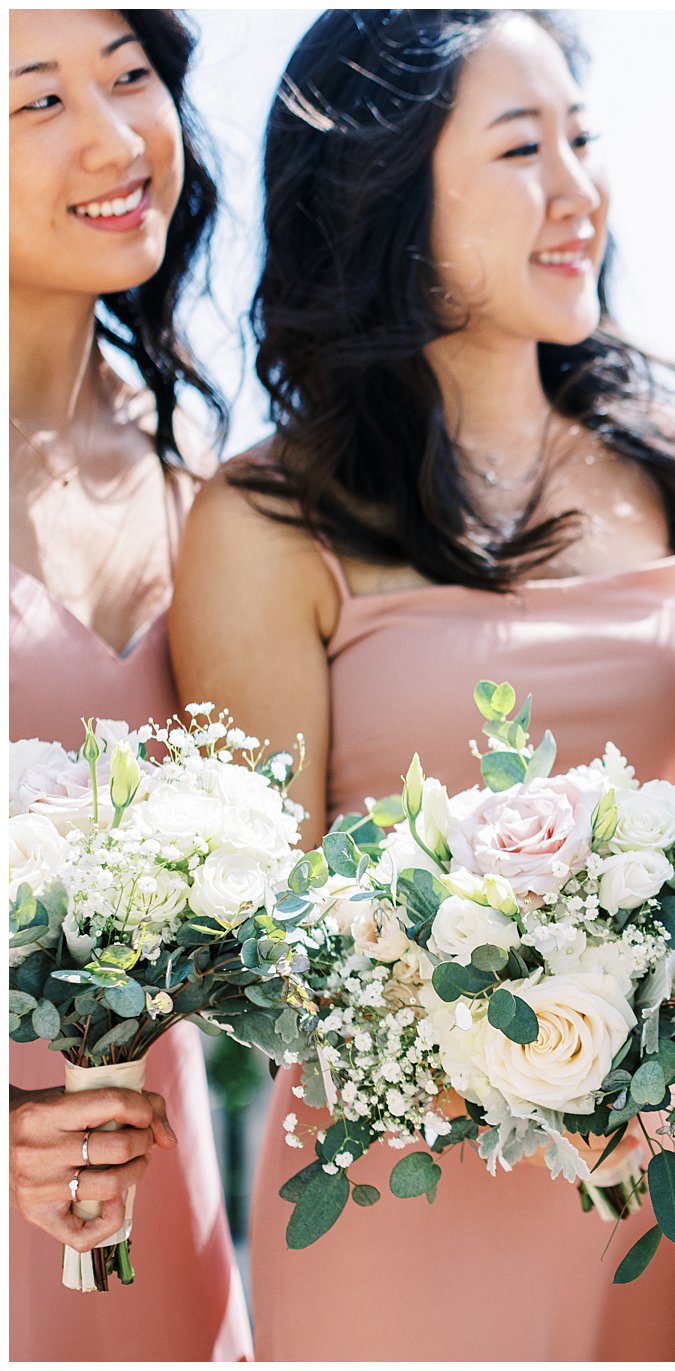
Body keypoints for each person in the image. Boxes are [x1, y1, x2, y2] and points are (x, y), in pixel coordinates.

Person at [168, 10, 675, 1358]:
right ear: (387, 191)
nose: (580, 191)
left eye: (582, 141)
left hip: (668, 1162)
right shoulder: (264, 521)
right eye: (524, 149)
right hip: (397, 1174)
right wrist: (484, 1000)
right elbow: (263, 934)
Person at [7, 9, 251, 1359]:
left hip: (159, 1189)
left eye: (130, 78)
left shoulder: (200, 459)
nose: (114, 136)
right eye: (35, 102)